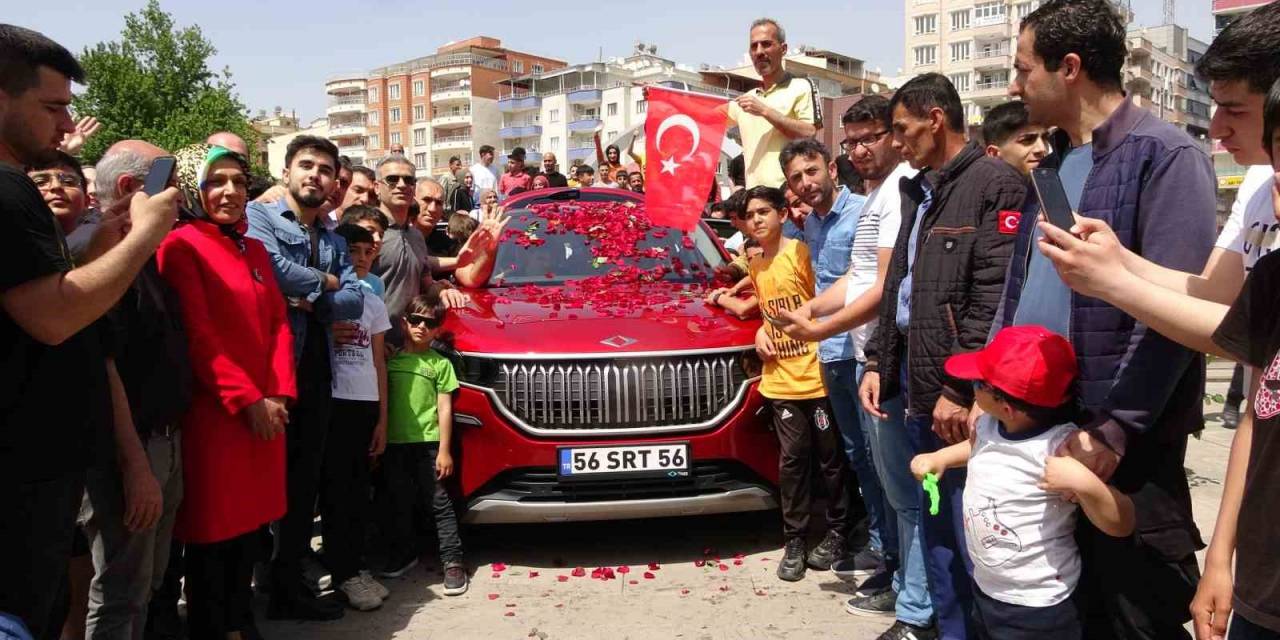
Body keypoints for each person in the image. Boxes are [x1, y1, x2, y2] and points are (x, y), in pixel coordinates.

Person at [1034, 74, 1280, 640]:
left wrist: (1115, 284)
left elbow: (1233, 333)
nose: (1215, 130)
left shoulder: (1170, 155)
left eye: (1234, 111)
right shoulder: (1259, 190)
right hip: (1261, 566)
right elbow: (1224, 309)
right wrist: (1122, 264)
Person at [998, 2, 1217, 637]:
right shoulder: (1052, 164)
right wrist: (990, 387)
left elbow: (1176, 321)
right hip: (1045, 427)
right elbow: (1023, 286)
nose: (1015, 87)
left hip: (1122, 450)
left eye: (1022, 69)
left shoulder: (1167, 157)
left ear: (1069, 68)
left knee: (1134, 613)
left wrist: (1114, 432)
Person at [0, 25, 181, 639]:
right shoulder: (6, 194)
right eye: (52, 106)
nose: (64, 124)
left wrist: (109, 239)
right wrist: (144, 235)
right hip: (23, 471)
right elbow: (55, 317)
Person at [861, 72, 1028, 640]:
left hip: (955, 390)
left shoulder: (994, 184)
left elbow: (992, 296)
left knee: (966, 523)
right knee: (932, 517)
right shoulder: (919, 189)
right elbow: (898, 286)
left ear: (936, 120)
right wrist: (878, 361)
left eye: (903, 130)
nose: (897, 143)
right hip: (912, 375)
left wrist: (963, 389)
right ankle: (943, 626)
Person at [773, 96, 930, 630]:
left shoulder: (894, 194)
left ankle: (915, 605)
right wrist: (809, 313)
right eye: (853, 140)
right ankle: (896, 577)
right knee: (872, 473)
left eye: (871, 138)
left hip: (879, 358)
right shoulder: (875, 195)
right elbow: (853, 281)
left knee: (902, 490)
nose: (861, 149)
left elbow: (884, 288)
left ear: (896, 135)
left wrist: (818, 327)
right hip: (857, 357)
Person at [911, 326, 1135, 640]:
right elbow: (980, 449)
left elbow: (1122, 522)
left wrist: (1085, 483)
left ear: (1007, 407)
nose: (971, 386)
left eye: (978, 383)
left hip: (1040, 609)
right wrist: (942, 458)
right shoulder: (991, 424)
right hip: (989, 590)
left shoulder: (1058, 448)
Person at [154, 143, 294, 640]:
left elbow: (279, 321)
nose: (231, 191)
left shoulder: (251, 246)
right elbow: (197, 335)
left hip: (265, 411)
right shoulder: (180, 246)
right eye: (217, 181)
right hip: (217, 418)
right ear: (194, 189)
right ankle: (215, 626)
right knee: (214, 534)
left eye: (238, 180)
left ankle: (240, 619)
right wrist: (247, 400)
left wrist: (277, 394)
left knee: (252, 531)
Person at [75, 140, 191, 640]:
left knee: (146, 583)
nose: (180, 200)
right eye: (169, 187)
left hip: (160, 443)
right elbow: (105, 371)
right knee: (120, 592)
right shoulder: (100, 260)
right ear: (131, 189)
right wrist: (136, 464)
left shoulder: (138, 254)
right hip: (131, 450)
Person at [245, 135, 364, 621]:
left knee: (301, 484)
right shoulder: (261, 218)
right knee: (258, 483)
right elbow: (271, 271)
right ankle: (242, 594)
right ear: (287, 172)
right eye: (306, 166)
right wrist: (325, 284)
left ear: (336, 181)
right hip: (271, 370)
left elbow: (355, 301)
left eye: (324, 169)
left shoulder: (336, 239)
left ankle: (288, 588)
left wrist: (309, 293)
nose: (314, 175)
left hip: (315, 370)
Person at [756, 139, 882, 580]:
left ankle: (881, 544)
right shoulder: (807, 228)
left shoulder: (866, 212)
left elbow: (868, 282)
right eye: (795, 179)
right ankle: (873, 540)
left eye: (811, 172)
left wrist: (816, 320)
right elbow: (783, 286)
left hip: (866, 351)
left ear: (830, 167)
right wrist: (761, 325)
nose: (805, 184)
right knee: (853, 455)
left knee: (872, 454)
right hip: (828, 354)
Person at [736, 185, 851, 583]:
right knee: (793, 461)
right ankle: (795, 541)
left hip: (816, 378)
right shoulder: (756, 264)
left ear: (782, 214)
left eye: (764, 211)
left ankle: (839, 532)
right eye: (750, 215)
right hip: (780, 381)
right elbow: (767, 314)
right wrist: (759, 335)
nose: (757, 220)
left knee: (831, 461)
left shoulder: (800, 254)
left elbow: (822, 302)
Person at [378, 293, 468, 596]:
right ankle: (404, 554)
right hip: (394, 443)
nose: (420, 327)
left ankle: (453, 562)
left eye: (429, 323)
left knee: (440, 505)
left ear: (437, 328)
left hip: (429, 444)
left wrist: (444, 450)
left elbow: (445, 408)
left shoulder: (441, 365)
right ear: (404, 322)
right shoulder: (390, 360)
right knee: (398, 502)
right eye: (415, 320)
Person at [323, 223, 392, 612]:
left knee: (358, 490)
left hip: (366, 403)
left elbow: (378, 361)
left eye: (368, 251)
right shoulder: (327, 300)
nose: (361, 258)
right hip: (336, 401)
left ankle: (356, 567)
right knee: (338, 492)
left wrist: (382, 418)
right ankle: (343, 572)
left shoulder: (375, 303)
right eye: (353, 250)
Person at [726, 18, 821, 188]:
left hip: (790, 198)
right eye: (754, 46)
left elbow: (809, 132)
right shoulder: (745, 101)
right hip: (755, 201)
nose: (759, 51)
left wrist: (765, 111)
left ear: (783, 49)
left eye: (766, 44)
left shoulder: (801, 86)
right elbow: (704, 116)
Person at [25, 150, 88, 235]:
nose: (56, 186)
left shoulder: (105, 240)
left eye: (68, 182)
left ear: (86, 201)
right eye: (40, 182)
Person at [979, 102, 1048, 177]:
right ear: (994, 153)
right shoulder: (990, 187)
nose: (1042, 149)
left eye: (1044, 138)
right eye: (1027, 140)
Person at [340, 204, 390, 298]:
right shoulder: (329, 275)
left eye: (381, 235)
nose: (377, 239)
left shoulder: (376, 284)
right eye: (370, 232)